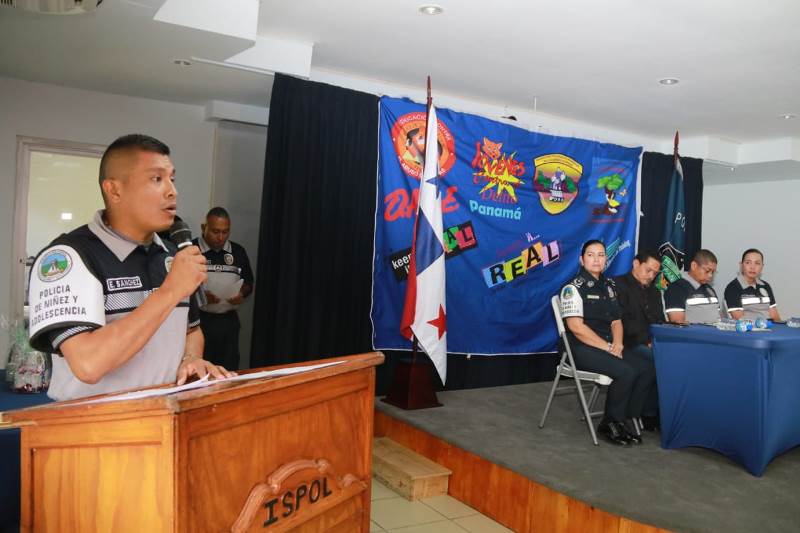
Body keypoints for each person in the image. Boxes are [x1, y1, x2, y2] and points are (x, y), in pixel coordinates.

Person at [28, 134, 234, 401]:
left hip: (163, 416)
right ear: (114, 190)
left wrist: (191, 357)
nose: (172, 191)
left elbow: (192, 330)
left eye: (172, 178)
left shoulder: (173, 256)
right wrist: (170, 291)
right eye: (156, 179)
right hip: (93, 423)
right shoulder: (68, 258)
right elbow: (88, 364)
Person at [559, 240, 657, 446]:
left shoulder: (609, 286)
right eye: (591, 255)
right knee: (626, 372)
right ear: (582, 259)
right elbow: (577, 328)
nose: (596, 259)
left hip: (609, 344)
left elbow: (616, 321)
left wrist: (618, 344)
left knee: (646, 366)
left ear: (606, 259)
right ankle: (610, 423)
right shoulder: (572, 288)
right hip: (581, 347)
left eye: (601, 255)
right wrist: (608, 347)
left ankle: (627, 417)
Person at [193, 207, 254, 370]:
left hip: (228, 322)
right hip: (198, 322)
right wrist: (200, 296)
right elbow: (176, 287)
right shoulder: (191, 250)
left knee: (229, 369)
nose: (221, 237)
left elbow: (249, 282)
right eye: (215, 231)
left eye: (225, 232)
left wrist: (242, 294)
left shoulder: (238, 251)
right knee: (200, 371)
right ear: (203, 227)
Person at [612, 251, 664, 430]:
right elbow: (623, 322)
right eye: (648, 270)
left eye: (655, 273)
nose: (651, 276)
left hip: (648, 342)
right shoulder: (617, 285)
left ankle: (651, 412)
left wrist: (655, 340)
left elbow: (659, 321)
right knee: (656, 360)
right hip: (625, 342)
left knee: (668, 358)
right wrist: (646, 341)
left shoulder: (654, 292)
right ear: (635, 263)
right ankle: (634, 413)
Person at [664, 249, 722, 324]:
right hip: (694, 331)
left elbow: (719, 317)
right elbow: (677, 323)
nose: (710, 275)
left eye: (713, 272)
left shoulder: (710, 290)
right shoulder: (677, 288)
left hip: (715, 330)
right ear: (694, 266)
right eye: (707, 271)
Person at [724, 248, 782, 321]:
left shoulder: (765, 286)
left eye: (757, 263)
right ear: (741, 265)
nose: (752, 267)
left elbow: (774, 314)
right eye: (748, 263)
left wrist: (781, 326)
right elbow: (739, 319)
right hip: (750, 327)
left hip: (770, 326)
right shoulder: (733, 287)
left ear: (762, 267)